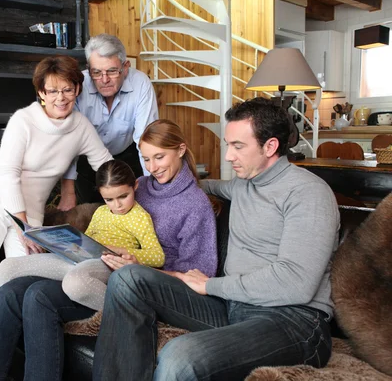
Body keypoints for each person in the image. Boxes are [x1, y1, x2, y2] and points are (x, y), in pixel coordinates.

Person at [93, 97, 340, 381]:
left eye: (238, 146)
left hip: (293, 321)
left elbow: (296, 283)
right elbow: (199, 188)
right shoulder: (244, 184)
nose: (228, 156)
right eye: (228, 144)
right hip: (231, 306)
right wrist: (148, 184)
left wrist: (211, 284)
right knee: (129, 278)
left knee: (180, 356)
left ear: (270, 146)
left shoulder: (308, 193)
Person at [0, 119, 217, 381]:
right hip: (100, 266)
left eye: (160, 157)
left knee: (39, 295)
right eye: (146, 159)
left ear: (181, 149)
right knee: (12, 290)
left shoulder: (195, 204)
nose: (153, 167)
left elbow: (198, 274)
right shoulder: (139, 185)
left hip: (141, 284)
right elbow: (108, 220)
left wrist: (138, 267)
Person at [0, 55, 113, 381]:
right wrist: (26, 229)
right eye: (52, 91)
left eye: (68, 90)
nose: (61, 98)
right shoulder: (23, 121)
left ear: (77, 90)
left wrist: (135, 187)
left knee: (19, 285)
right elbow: (9, 174)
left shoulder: (81, 127)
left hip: (31, 214)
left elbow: (105, 164)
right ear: (41, 93)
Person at [0, 159, 165, 311]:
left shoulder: (140, 216)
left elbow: (158, 256)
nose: (118, 205)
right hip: (77, 260)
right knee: (7, 267)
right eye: (109, 199)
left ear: (135, 186)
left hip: (106, 264)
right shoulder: (100, 212)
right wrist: (64, 244)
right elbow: (87, 239)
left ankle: (131, 312)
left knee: (75, 283)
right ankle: (12, 319)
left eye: (123, 196)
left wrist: (122, 251)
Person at [58, 34, 159, 209]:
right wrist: (68, 193)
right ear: (89, 70)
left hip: (127, 157)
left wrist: (154, 189)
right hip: (86, 160)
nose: (104, 80)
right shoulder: (77, 87)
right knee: (90, 214)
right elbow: (69, 143)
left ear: (125, 67)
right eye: (96, 72)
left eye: (112, 71)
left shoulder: (141, 83)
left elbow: (146, 140)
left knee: (135, 210)